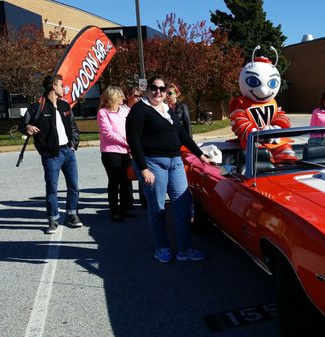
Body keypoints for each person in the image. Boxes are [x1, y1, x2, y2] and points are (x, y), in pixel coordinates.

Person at [126, 75, 214, 263]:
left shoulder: (168, 109)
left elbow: (181, 133)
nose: (158, 92)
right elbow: (133, 141)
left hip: (175, 162)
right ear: (147, 89)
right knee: (157, 208)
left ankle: (184, 249)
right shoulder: (139, 110)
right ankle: (162, 248)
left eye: (162, 89)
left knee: (183, 205)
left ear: (166, 92)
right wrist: (143, 169)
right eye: (154, 88)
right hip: (153, 163)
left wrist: (199, 154)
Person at [20, 74, 83, 234]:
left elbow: (73, 127)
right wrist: (27, 127)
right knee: (52, 189)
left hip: (68, 152)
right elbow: (23, 124)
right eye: (61, 85)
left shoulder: (65, 106)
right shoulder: (37, 107)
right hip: (51, 155)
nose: (64, 88)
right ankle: (53, 219)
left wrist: (73, 145)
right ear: (53, 87)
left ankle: (72, 214)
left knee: (74, 186)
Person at [230, 49, 296, 163]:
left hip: (275, 140)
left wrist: (277, 129)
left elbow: (280, 116)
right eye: (253, 82)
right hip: (252, 142)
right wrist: (258, 133)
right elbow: (238, 122)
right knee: (262, 158)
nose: (264, 91)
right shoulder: (241, 104)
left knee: (287, 155)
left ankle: (287, 173)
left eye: (272, 83)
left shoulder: (273, 103)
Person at [97, 86, 134, 222]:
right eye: (119, 96)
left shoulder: (125, 110)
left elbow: (133, 125)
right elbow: (108, 134)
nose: (122, 99)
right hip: (111, 151)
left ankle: (126, 208)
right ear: (112, 98)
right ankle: (114, 211)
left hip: (126, 151)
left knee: (126, 180)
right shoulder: (103, 113)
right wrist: (127, 142)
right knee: (114, 181)